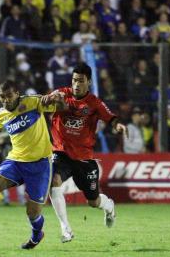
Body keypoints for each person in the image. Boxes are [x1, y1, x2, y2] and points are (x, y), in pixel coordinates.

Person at [0, 80, 66, 249]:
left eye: (9, 96)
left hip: (40, 165)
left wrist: (57, 99)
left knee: (33, 214)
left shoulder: (32, 102)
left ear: (17, 93)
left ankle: (37, 235)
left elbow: (61, 108)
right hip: (15, 162)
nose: (6, 100)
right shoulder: (1, 113)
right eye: (2, 97)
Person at [43, 63, 128, 243]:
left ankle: (109, 206)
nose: (76, 84)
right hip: (61, 152)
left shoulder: (94, 103)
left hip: (84, 158)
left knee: (93, 202)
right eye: (74, 80)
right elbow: (51, 99)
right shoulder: (62, 93)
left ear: (88, 82)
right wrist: (50, 99)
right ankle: (66, 229)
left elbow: (110, 118)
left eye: (81, 81)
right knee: (54, 181)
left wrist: (117, 125)